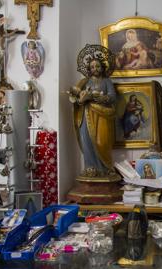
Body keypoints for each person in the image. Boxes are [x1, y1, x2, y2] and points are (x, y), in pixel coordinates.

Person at [68, 44, 116, 178]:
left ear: (103, 68)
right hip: (86, 114)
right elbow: (77, 99)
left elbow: (112, 97)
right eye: (92, 66)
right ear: (89, 69)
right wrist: (82, 99)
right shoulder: (84, 82)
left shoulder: (107, 81)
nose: (95, 68)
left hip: (102, 115)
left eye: (98, 66)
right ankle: (91, 168)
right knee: (87, 141)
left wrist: (97, 97)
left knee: (102, 141)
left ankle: (105, 168)